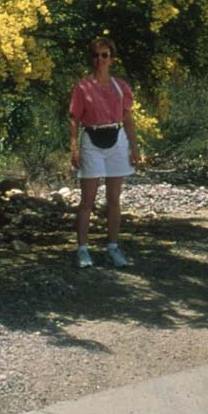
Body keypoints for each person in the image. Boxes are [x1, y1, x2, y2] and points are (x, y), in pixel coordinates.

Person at [69, 37, 140, 268]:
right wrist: (74, 148)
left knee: (113, 199)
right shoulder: (82, 87)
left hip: (116, 140)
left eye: (104, 55)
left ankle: (113, 246)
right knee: (87, 200)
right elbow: (75, 119)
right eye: (96, 55)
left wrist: (134, 146)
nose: (100, 60)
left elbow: (127, 117)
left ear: (112, 59)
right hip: (92, 139)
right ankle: (82, 249)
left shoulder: (121, 87)